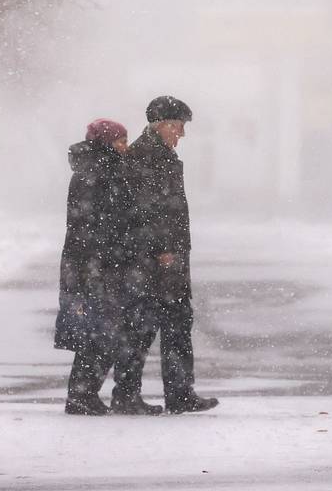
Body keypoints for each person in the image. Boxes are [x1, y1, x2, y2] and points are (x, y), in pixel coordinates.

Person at [112, 95, 219, 415]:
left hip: (165, 259)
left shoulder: (158, 156)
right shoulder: (147, 157)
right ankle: (130, 394)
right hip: (154, 261)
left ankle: (179, 392)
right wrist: (163, 250)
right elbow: (148, 210)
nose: (182, 134)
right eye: (178, 126)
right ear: (160, 126)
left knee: (174, 324)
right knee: (144, 327)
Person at [55, 119, 158, 415]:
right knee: (99, 331)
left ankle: (86, 394)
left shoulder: (106, 169)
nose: (125, 147)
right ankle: (81, 395)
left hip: (103, 263)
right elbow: (94, 225)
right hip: (96, 266)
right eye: (120, 142)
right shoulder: (95, 173)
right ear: (105, 143)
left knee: (105, 330)